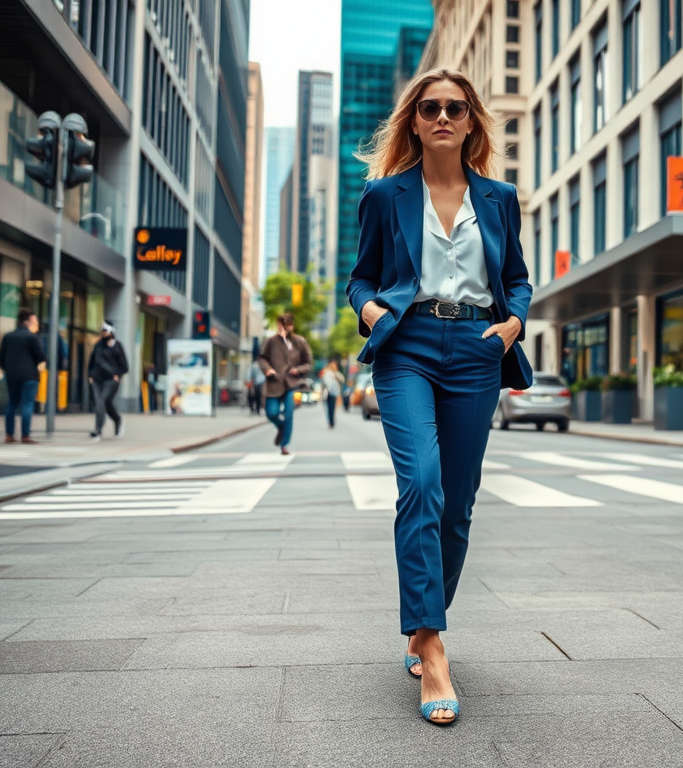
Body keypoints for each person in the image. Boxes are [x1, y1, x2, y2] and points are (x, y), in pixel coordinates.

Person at [347, 68, 532, 725]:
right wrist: (372, 315)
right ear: (415, 120)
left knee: (457, 506)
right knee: (420, 484)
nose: (444, 116)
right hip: (408, 348)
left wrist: (511, 326)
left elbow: (516, 278)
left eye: (456, 107)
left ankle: (426, 618)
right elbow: (361, 278)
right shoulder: (384, 196)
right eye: (431, 108)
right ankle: (429, 643)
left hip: (478, 350)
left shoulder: (502, 198)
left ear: (472, 120)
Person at [258, 313, 312, 456]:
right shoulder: (270, 341)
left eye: (286, 325)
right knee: (272, 412)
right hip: (274, 383)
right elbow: (262, 358)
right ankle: (281, 427)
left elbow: (308, 363)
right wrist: (268, 369)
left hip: (292, 383)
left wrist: (298, 370)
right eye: (280, 325)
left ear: (291, 326)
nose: (282, 328)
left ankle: (284, 444)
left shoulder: (300, 342)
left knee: (289, 414)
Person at [0, 308, 47, 444]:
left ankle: (9, 435)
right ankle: (25, 435)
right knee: (27, 404)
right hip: (29, 376)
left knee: (12, 403)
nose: (35, 322)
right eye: (34, 319)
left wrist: (8, 369)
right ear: (29, 320)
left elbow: (1, 358)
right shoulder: (32, 337)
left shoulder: (8, 336)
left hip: (12, 375)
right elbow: (41, 357)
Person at [87, 322, 129, 440]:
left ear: (111, 332)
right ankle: (100, 429)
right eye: (102, 332)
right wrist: (90, 375)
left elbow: (125, 366)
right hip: (97, 380)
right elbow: (92, 360)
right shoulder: (98, 346)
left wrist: (118, 375)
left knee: (102, 401)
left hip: (111, 380)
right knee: (103, 403)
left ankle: (103, 427)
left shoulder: (117, 347)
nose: (103, 334)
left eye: (105, 332)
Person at [320, 358, 345, 429]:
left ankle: (332, 422)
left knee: (333, 408)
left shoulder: (336, 373)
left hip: (334, 392)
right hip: (327, 393)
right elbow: (323, 382)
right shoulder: (326, 372)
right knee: (329, 408)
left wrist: (335, 374)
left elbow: (342, 379)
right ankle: (330, 422)